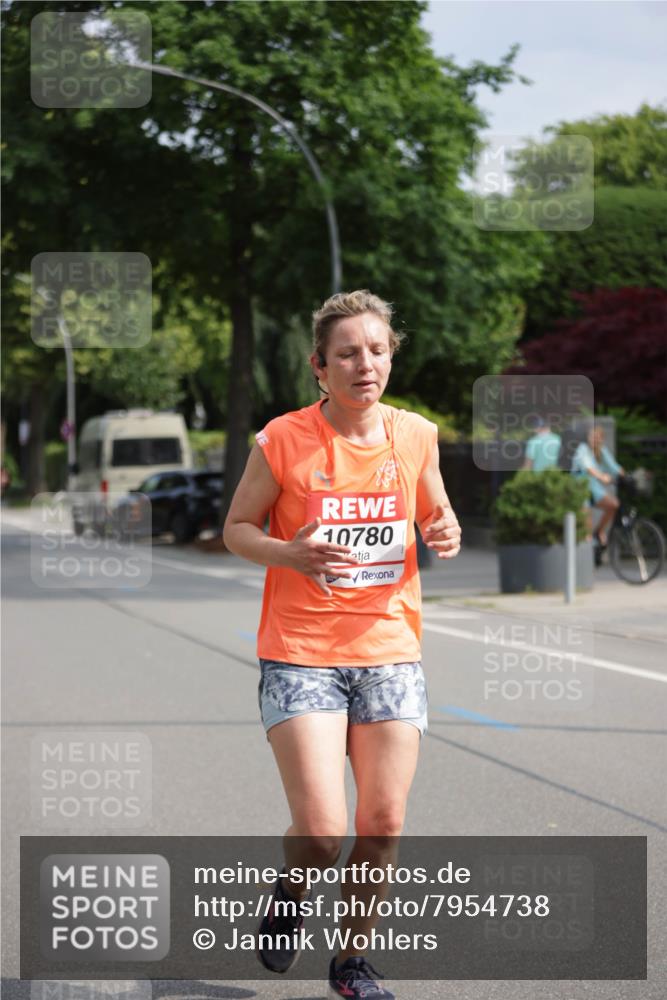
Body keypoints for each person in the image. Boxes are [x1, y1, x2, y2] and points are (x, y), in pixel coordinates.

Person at [223, 290, 461, 999]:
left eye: (378, 350)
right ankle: (294, 887)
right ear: (319, 367)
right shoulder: (284, 439)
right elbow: (237, 528)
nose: (366, 364)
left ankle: (350, 964)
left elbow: (435, 508)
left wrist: (444, 529)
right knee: (324, 831)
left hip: (388, 647)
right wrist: (287, 554)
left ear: (391, 356)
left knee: (382, 821)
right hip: (301, 650)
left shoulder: (415, 434)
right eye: (348, 353)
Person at [571, 424, 624, 551]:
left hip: (594, 488)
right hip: (580, 487)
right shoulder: (582, 449)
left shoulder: (602, 451)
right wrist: (602, 477)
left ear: (601, 439)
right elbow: (588, 468)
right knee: (586, 523)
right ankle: (588, 553)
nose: (594, 439)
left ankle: (599, 531)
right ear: (588, 437)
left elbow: (614, 467)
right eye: (592, 436)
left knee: (613, 505)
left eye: (597, 437)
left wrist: (627, 477)